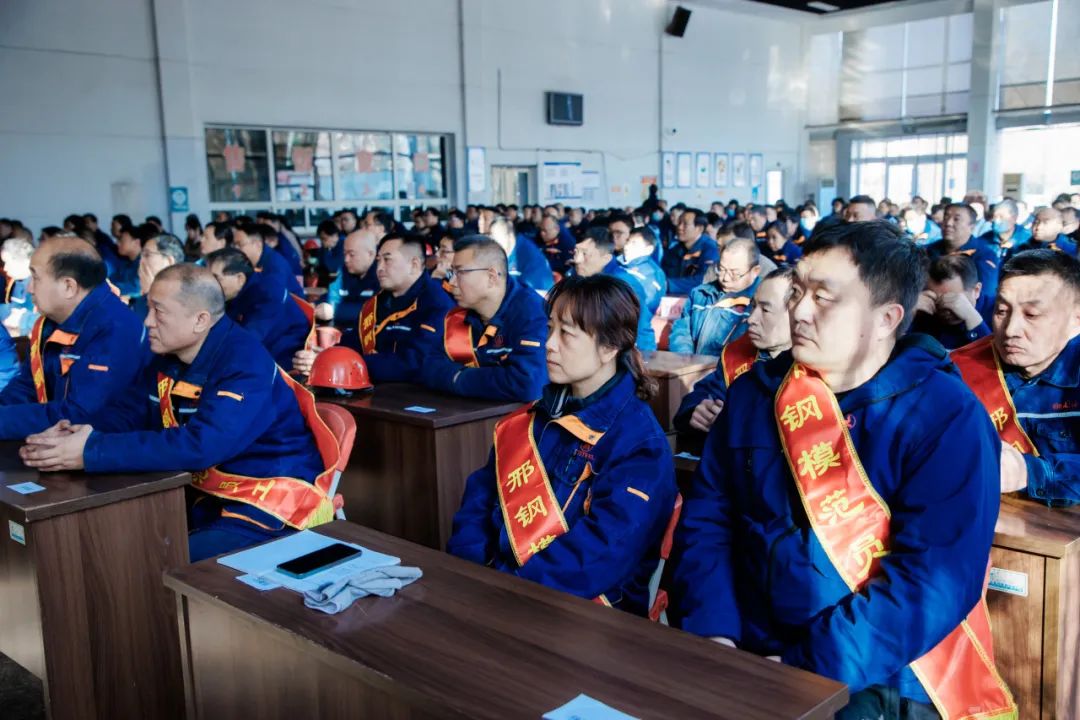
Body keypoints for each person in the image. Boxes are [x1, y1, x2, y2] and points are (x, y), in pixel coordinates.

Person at [670, 220, 1015, 720]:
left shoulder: (945, 416)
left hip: (873, 673)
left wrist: (801, 667)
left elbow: (930, 581)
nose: (799, 311)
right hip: (743, 645)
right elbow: (710, 517)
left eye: (824, 298)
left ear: (886, 318)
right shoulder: (754, 393)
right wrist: (713, 631)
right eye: (797, 291)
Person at [20, 264, 339, 562]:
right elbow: (129, 412)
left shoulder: (244, 363)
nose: (147, 321)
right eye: (148, 309)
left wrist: (91, 451)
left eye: (158, 311)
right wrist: (77, 434)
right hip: (203, 493)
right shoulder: (169, 354)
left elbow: (201, 445)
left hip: (266, 502)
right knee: (113, 541)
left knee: (155, 560)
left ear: (200, 320)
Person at [447, 274, 677, 616]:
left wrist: (506, 586)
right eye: (549, 328)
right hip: (497, 591)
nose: (549, 344)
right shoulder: (531, 419)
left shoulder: (640, 445)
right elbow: (479, 499)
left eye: (566, 333)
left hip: (583, 611)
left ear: (609, 347)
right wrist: (471, 571)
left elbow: (601, 554)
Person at [952, 249, 1080, 505]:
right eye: (1001, 311)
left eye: (1031, 315)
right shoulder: (959, 370)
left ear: (1076, 320)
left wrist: (1028, 472)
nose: (1010, 330)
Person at [0, 237, 149, 439]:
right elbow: (28, 385)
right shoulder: (50, 322)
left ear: (69, 286)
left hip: (105, 445)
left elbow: (81, 414)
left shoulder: (116, 327)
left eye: (35, 278)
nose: (29, 289)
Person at [293, 233, 453, 383]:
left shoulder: (437, 303)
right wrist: (325, 358)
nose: (379, 268)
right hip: (374, 389)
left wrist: (341, 362)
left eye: (387, 260)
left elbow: (413, 363)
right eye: (378, 260)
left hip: (416, 396)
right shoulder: (375, 304)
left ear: (414, 264)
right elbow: (352, 344)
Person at [673, 267, 793, 451]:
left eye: (765, 310)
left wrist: (733, 422)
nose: (751, 319)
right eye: (753, 306)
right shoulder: (739, 352)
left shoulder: (817, 368)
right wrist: (697, 410)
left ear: (797, 314)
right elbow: (706, 392)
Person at [419, 235, 547, 402]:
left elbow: (527, 384)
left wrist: (457, 377)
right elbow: (428, 367)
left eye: (460, 272)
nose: (452, 282)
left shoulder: (532, 313)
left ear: (491, 277)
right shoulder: (459, 314)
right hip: (472, 411)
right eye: (452, 273)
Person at [206, 248, 312, 367]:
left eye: (216, 278)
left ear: (240, 278)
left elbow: (246, 341)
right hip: (263, 356)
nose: (210, 284)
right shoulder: (238, 293)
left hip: (288, 364)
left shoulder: (268, 293)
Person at [668, 238, 761, 356]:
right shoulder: (700, 294)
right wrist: (686, 359)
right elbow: (681, 333)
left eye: (735, 273)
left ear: (755, 271)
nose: (725, 278)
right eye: (721, 269)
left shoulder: (761, 304)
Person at [572, 227, 656, 351]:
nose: (577, 260)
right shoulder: (582, 278)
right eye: (576, 252)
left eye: (585, 254)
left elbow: (637, 330)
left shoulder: (621, 284)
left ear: (606, 259)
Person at [926, 203, 1000, 322]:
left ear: (972, 226)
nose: (948, 223)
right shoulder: (928, 251)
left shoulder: (984, 255)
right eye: (946, 217)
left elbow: (986, 295)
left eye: (956, 219)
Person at [910, 255, 989, 349]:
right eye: (936, 300)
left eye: (952, 299)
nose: (944, 307)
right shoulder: (924, 311)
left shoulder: (997, 313)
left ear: (976, 291)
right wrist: (909, 312)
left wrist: (973, 319)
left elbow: (995, 356)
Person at [315, 228, 380, 336]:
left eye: (352, 254)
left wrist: (333, 310)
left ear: (370, 254)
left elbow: (377, 311)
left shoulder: (383, 275)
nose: (346, 259)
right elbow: (332, 297)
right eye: (344, 254)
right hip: (343, 334)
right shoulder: (344, 272)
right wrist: (319, 306)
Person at [233, 221, 304, 295]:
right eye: (234, 245)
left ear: (257, 244)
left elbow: (273, 298)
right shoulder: (256, 262)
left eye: (239, 244)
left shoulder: (274, 266)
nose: (235, 249)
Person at [663, 208, 720, 295]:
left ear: (699, 228)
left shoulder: (711, 250)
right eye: (679, 223)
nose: (679, 227)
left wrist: (668, 284)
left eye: (685, 224)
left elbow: (704, 279)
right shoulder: (674, 250)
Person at [489, 216, 554, 292]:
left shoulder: (529, 255)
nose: (493, 243)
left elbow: (540, 292)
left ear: (510, 236)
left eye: (496, 238)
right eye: (492, 238)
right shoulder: (503, 250)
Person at [132, 233, 185, 319]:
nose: (141, 262)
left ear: (169, 261)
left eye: (147, 255)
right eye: (141, 257)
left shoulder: (186, 300)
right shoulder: (139, 303)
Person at [619, 225, 666, 315]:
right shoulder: (621, 265)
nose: (626, 246)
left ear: (648, 249)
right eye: (628, 241)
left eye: (634, 244)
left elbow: (647, 305)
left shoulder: (652, 274)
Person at [1006, 206, 1077, 259]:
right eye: (1036, 222)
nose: (1038, 227)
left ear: (1059, 226)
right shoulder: (1020, 247)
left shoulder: (1072, 249)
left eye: (1045, 223)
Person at [1, 237, 37, 336]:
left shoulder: (42, 285)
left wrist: (22, 319)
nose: (5, 268)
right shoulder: (19, 281)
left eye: (8, 262)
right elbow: (14, 307)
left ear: (25, 261)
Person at [110, 222, 145, 296]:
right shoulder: (125, 263)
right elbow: (112, 279)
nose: (117, 243)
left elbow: (136, 288)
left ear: (136, 242)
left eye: (122, 240)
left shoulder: (144, 264)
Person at [538, 214, 575, 278]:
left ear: (557, 229)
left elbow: (566, 264)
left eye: (545, 231)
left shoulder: (568, 243)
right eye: (540, 230)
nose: (541, 233)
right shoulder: (539, 237)